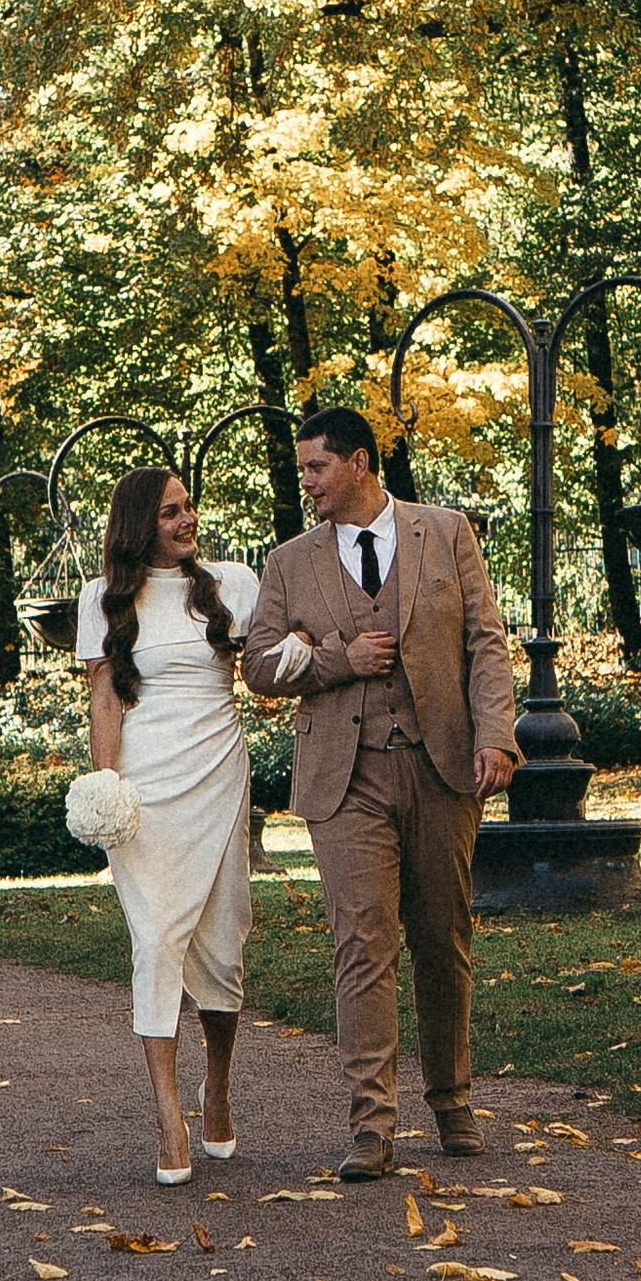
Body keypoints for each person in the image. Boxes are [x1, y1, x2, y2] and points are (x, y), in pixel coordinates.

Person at [242, 405, 518, 1181]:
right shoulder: (290, 561)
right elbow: (259, 666)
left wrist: (495, 735)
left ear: (359, 463)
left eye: (316, 469)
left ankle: (452, 1100)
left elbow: (485, 643)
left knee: (443, 937)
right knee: (362, 945)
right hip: (345, 776)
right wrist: (338, 657)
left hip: (442, 767)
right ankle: (372, 1127)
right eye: (303, 471)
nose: (308, 484)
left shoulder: (447, 531)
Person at [76, 468, 260, 1186]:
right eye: (170, 513)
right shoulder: (105, 600)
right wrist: (106, 787)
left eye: (188, 508)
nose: (187, 521)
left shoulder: (231, 585)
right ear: (137, 526)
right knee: (155, 940)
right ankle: (167, 1114)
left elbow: (272, 658)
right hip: (145, 791)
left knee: (221, 942)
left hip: (217, 772)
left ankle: (218, 1085)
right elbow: (105, 703)